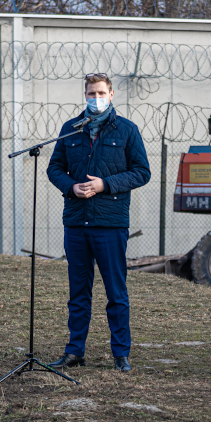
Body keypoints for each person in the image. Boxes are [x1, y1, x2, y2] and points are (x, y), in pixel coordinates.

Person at [46, 72, 151, 372]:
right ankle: (74, 351)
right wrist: (70, 186)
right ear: (85, 95)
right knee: (78, 292)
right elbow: (55, 167)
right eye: (91, 94)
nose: (95, 99)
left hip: (110, 223)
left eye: (100, 93)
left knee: (116, 292)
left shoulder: (127, 130)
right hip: (77, 223)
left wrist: (106, 184)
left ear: (112, 94)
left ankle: (121, 353)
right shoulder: (70, 130)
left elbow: (142, 172)